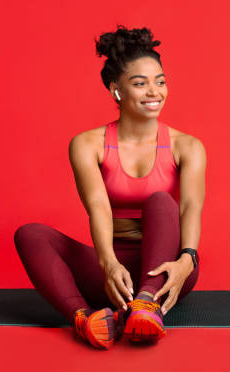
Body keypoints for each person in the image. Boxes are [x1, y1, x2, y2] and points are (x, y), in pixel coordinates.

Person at [13, 25, 206, 350]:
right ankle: (87, 319)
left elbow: (190, 207)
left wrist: (187, 260)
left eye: (160, 81)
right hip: (112, 270)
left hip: (166, 270)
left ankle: (147, 306)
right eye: (140, 83)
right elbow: (98, 206)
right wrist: (108, 263)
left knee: (161, 201)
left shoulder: (187, 146)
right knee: (30, 234)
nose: (154, 92)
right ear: (116, 90)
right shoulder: (88, 144)